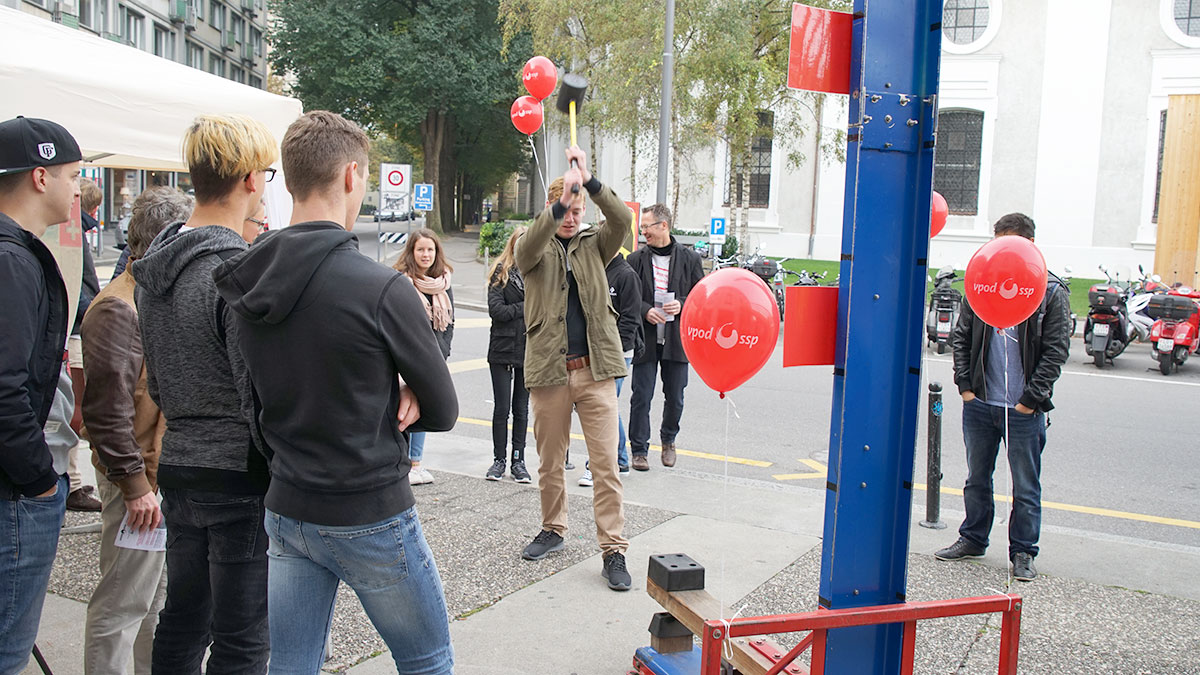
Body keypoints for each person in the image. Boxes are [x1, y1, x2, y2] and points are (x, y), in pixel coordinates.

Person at [213, 109, 459, 674]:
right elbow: (442, 409)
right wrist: (402, 386)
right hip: (367, 507)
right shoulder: (381, 288)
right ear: (351, 176)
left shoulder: (248, 279)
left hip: (288, 506)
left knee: (292, 666)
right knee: (427, 661)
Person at [130, 114, 275, 672]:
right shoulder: (233, 270)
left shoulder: (156, 268)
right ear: (248, 180)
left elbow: (160, 386)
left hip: (181, 465)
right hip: (237, 474)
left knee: (183, 619)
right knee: (240, 638)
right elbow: (254, 394)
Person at [81, 186, 191, 675]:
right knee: (123, 602)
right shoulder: (117, 308)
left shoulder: (146, 295)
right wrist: (134, 486)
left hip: (150, 478)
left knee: (151, 601)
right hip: (137, 482)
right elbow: (105, 413)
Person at [513, 146, 633, 591]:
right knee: (549, 462)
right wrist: (557, 206)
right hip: (549, 372)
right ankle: (553, 528)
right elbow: (528, 246)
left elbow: (621, 221)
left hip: (597, 371)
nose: (571, 217)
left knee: (606, 466)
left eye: (577, 210)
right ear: (552, 207)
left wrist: (592, 182)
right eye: (565, 210)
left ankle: (614, 550)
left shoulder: (595, 244)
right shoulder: (533, 248)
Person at [935, 213, 1070, 582]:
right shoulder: (982, 286)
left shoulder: (1050, 291)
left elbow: (1056, 351)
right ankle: (973, 538)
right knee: (977, 478)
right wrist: (965, 387)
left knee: (1025, 485)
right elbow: (961, 337)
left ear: (1028, 246)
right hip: (980, 403)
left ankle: (1023, 552)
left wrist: (1031, 399)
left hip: (1024, 409)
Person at [0, 115, 81, 674]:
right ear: (39, 175)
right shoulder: (11, 261)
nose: (78, 188)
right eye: (73, 174)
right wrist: (38, 480)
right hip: (13, 493)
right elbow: (4, 387)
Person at [626, 203, 703, 471]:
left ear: (664, 226)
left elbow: (700, 297)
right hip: (646, 338)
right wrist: (645, 310)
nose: (644, 231)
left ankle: (669, 440)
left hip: (677, 340)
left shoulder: (690, 259)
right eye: (642, 227)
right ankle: (638, 450)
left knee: (676, 396)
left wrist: (681, 304)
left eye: (647, 226)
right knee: (641, 396)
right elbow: (628, 297)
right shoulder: (636, 260)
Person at [393, 228, 455, 486]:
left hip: (434, 359)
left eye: (430, 249)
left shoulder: (443, 283)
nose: (426, 254)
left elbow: (449, 325)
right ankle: (401, 462)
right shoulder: (401, 282)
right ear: (412, 252)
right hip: (406, 358)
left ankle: (416, 463)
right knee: (403, 411)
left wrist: (439, 357)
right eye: (420, 249)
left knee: (424, 408)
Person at [580, 250, 642, 486]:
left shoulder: (627, 275)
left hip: (617, 353)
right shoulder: (595, 269)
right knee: (606, 407)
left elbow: (631, 319)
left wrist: (614, 353)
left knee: (600, 408)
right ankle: (621, 459)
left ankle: (596, 465)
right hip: (594, 351)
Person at [63, 177, 104, 512]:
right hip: (76, 330)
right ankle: (71, 483)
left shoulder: (69, 232)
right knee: (74, 412)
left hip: (76, 327)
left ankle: (71, 480)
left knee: (73, 410)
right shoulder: (71, 234)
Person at [485, 226, 532, 483]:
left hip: (528, 349)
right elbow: (497, 311)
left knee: (521, 409)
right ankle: (498, 460)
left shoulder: (537, 273)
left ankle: (519, 460)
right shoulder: (501, 272)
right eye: (520, 244)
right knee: (501, 408)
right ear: (513, 245)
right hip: (502, 349)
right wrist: (526, 307)